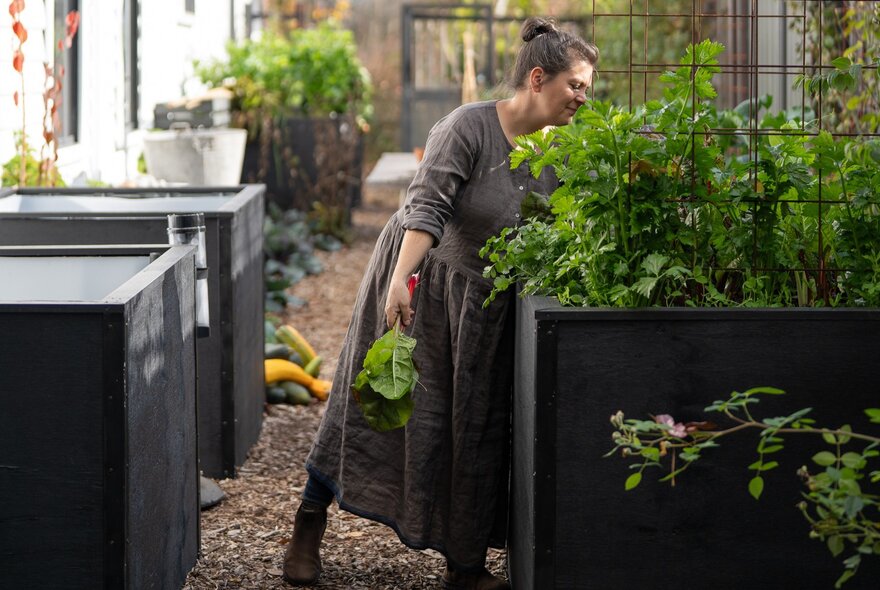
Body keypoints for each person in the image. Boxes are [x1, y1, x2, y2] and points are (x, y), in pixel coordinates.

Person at [282, 17, 598, 590]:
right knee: (371, 403)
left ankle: (465, 566)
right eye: (575, 85)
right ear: (536, 77)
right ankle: (309, 519)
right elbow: (424, 210)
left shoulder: (557, 152)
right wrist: (398, 284)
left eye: (587, 88)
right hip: (425, 284)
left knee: (475, 425)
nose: (583, 97)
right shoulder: (469, 128)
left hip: (487, 306)